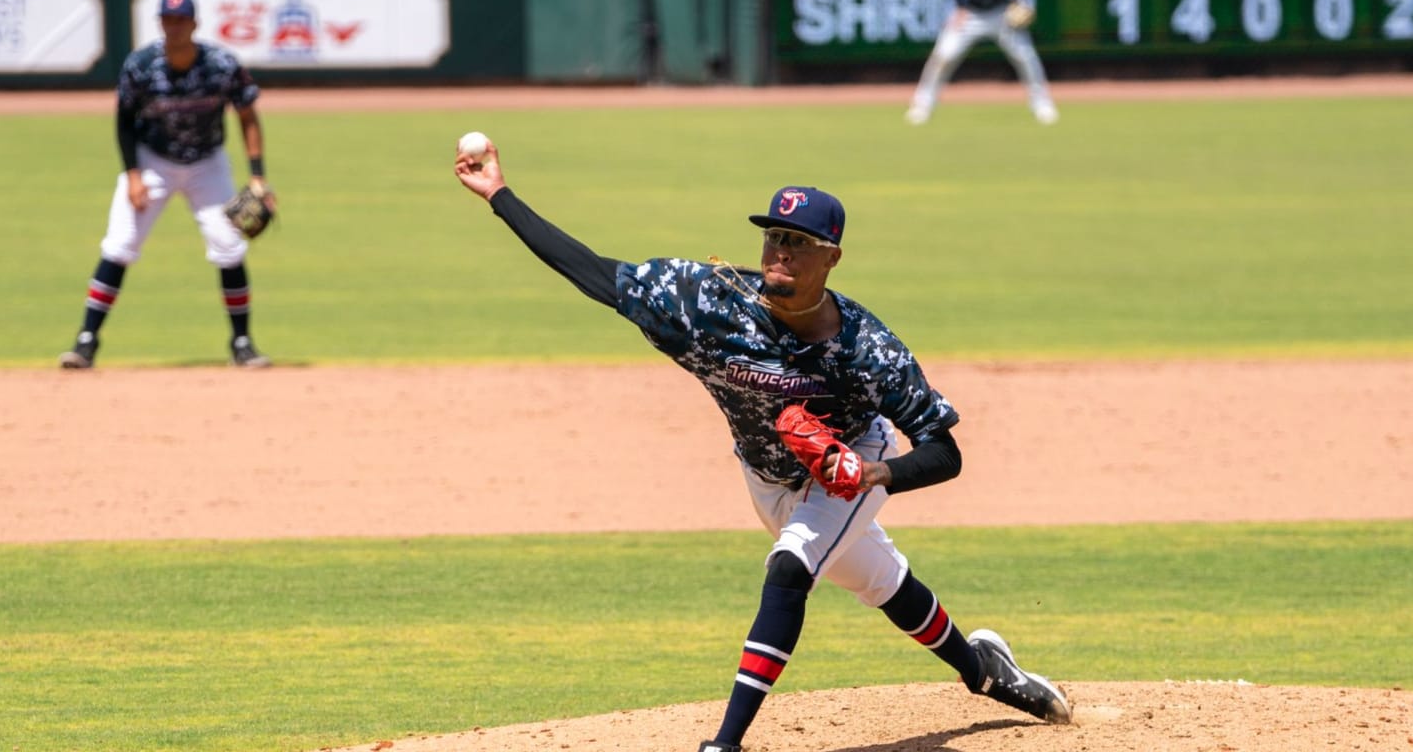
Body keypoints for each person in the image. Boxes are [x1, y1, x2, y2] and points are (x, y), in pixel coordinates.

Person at [453, 141, 1072, 751]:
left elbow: (944, 450)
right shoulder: (707, 303)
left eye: (799, 242)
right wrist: (500, 196)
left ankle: (726, 743)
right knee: (877, 578)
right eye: (774, 236)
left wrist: (871, 473)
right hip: (764, 478)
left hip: (847, 466)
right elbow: (591, 271)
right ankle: (986, 671)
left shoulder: (867, 349)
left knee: (791, 567)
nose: (781, 251)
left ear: (831, 257)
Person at [58, 0, 274, 369]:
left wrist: (257, 177)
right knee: (120, 245)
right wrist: (133, 175)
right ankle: (86, 341)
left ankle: (242, 344)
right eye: (168, 20)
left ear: (194, 24)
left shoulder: (222, 64)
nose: (174, 27)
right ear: (160, 23)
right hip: (152, 161)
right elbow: (124, 120)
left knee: (229, 246)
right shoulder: (141, 65)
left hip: (208, 163)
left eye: (181, 20)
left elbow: (247, 114)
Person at [905, 0, 1058, 125]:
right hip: (969, 13)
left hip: (1002, 12)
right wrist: (957, 7)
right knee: (943, 56)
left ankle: (1041, 103)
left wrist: (1026, 2)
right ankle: (923, 104)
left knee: (1025, 56)